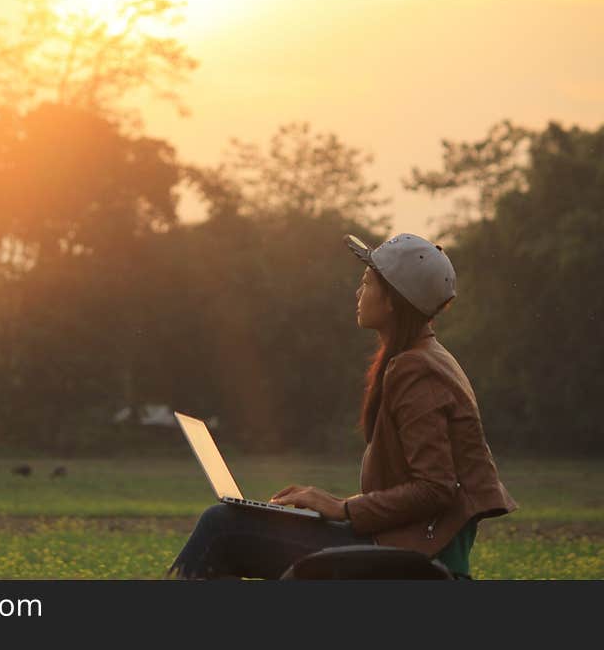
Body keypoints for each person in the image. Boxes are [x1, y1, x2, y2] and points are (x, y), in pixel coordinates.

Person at [167, 232, 517, 579]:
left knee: (223, 527)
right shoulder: (427, 358)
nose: (358, 292)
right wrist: (336, 508)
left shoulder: (417, 368)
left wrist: (343, 508)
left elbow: (435, 488)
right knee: (231, 524)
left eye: (367, 282)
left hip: (414, 558)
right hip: (399, 543)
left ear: (393, 300)